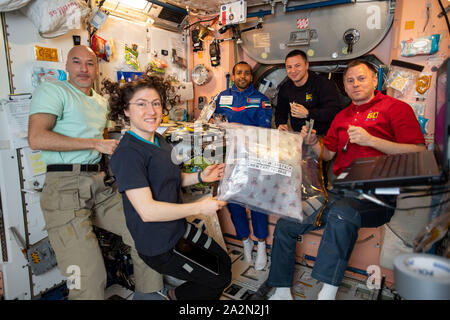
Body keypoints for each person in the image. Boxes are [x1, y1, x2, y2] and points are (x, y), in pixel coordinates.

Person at [266, 59, 426, 300]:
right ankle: (280, 291)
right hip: (339, 193)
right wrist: (313, 143)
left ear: (375, 80)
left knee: (342, 213)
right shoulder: (341, 117)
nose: (355, 84)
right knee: (288, 221)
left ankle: (326, 294)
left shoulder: (396, 109)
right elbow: (328, 153)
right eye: (349, 80)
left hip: (377, 196)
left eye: (361, 78)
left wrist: (372, 140)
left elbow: (418, 153)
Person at [28, 45, 164, 300]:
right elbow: (36, 138)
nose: (83, 69)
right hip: (64, 188)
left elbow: (108, 137)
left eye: (90, 64)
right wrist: (95, 144)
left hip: (99, 184)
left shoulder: (100, 101)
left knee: (146, 232)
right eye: (77, 62)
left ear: (96, 69)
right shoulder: (54, 90)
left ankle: (149, 295)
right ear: (66, 66)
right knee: (88, 276)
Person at [106, 74, 232, 300]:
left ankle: (173, 295)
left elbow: (171, 179)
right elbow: (148, 211)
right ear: (126, 110)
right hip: (160, 245)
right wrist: (199, 208)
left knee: (223, 262)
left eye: (155, 103)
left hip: (177, 229)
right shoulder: (128, 154)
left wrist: (202, 175)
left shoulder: (158, 140)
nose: (151, 111)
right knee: (218, 279)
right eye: (141, 104)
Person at [213, 61, 272, 270]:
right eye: (239, 73)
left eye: (247, 73)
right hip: (230, 158)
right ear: (233, 75)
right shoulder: (222, 98)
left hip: (254, 158)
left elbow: (264, 131)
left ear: (251, 77)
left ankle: (261, 245)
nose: (243, 76)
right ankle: (246, 242)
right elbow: (214, 122)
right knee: (234, 204)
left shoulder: (261, 100)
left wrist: (237, 129)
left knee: (257, 205)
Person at [275, 49, 341, 135]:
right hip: (299, 137)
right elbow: (280, 113)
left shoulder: (323, 84)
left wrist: (308, 113)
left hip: (324, 137)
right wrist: (281, 125)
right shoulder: (286, 88)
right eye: (289, 67)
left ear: (306, 65)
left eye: (297, 65)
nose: (293, 71)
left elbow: (334, 113)